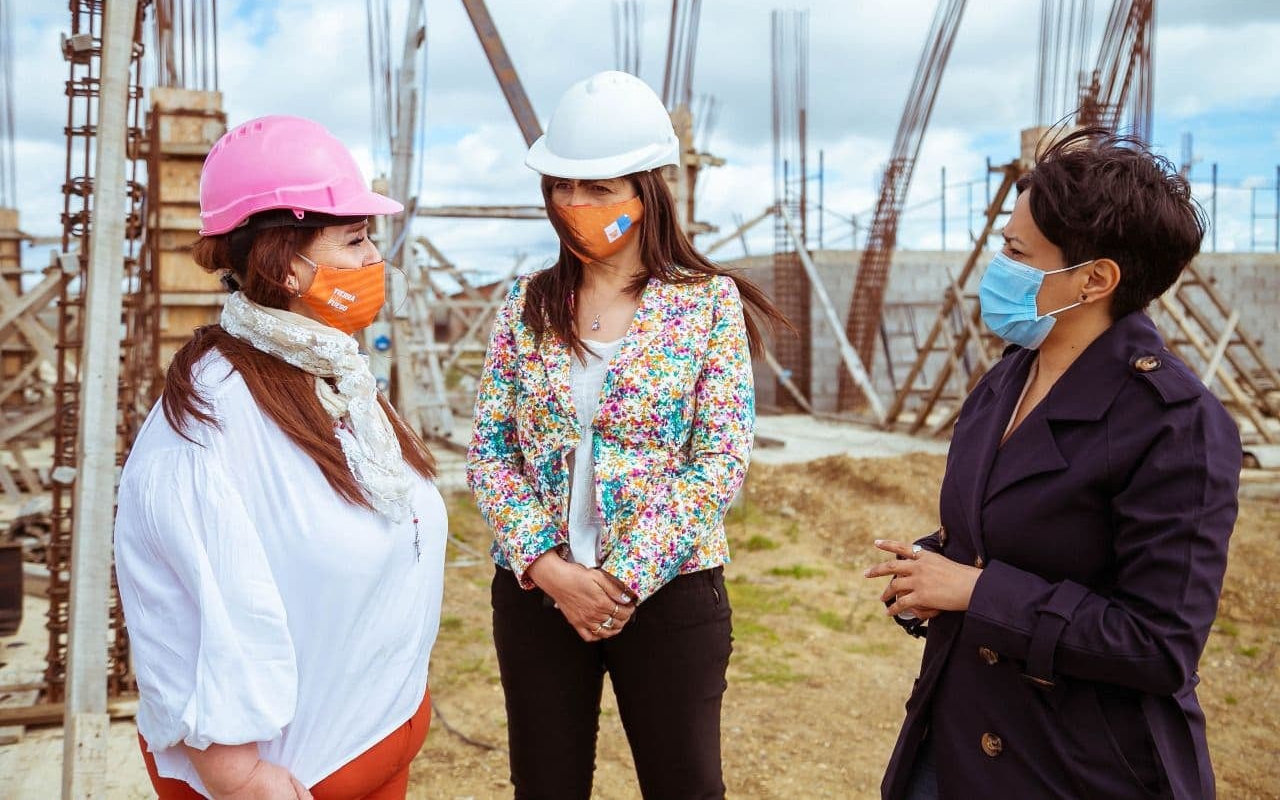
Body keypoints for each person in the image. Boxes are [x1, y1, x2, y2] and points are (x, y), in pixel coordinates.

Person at [865, 128, 1240, 799]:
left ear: (1095, 279)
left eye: (1014, 251)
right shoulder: (1008, 378)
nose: (995, 265)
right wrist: (926, 573)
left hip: (1077, 766)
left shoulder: (1175, 421)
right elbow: (993, 540)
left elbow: (1159, 645)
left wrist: (973, 591)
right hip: (952, 742)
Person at [466, 70, 786, 799]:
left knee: (686, 786)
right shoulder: (525, 305)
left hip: (668, 594)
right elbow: (491, 452)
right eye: (563, 185)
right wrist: (551, 571)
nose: (574, 204)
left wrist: (615, 582)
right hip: (537, 597)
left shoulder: (705, 305)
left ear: (646, 191)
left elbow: (719, 460)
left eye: (599, 187)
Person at [114, 115, 448, 799]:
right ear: (290, 263)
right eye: (354, 239)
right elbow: (188, 604)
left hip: (377, 744)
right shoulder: (212, 418)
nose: (372, 259)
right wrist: (236, 776)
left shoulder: (328, 374)